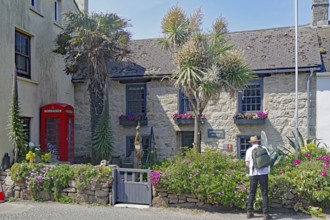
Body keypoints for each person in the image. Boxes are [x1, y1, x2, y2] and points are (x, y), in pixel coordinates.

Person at [245, 136, 272, 220]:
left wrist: (251, 167)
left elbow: (247, 163)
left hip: (253, 174)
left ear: (251, 142)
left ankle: (249, 212)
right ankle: (266, 214)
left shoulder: (249, 150)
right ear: (258, 142)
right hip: (264, 174)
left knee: (252, 193)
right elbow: (268, 159)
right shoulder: (264, 148)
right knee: (264, 193)